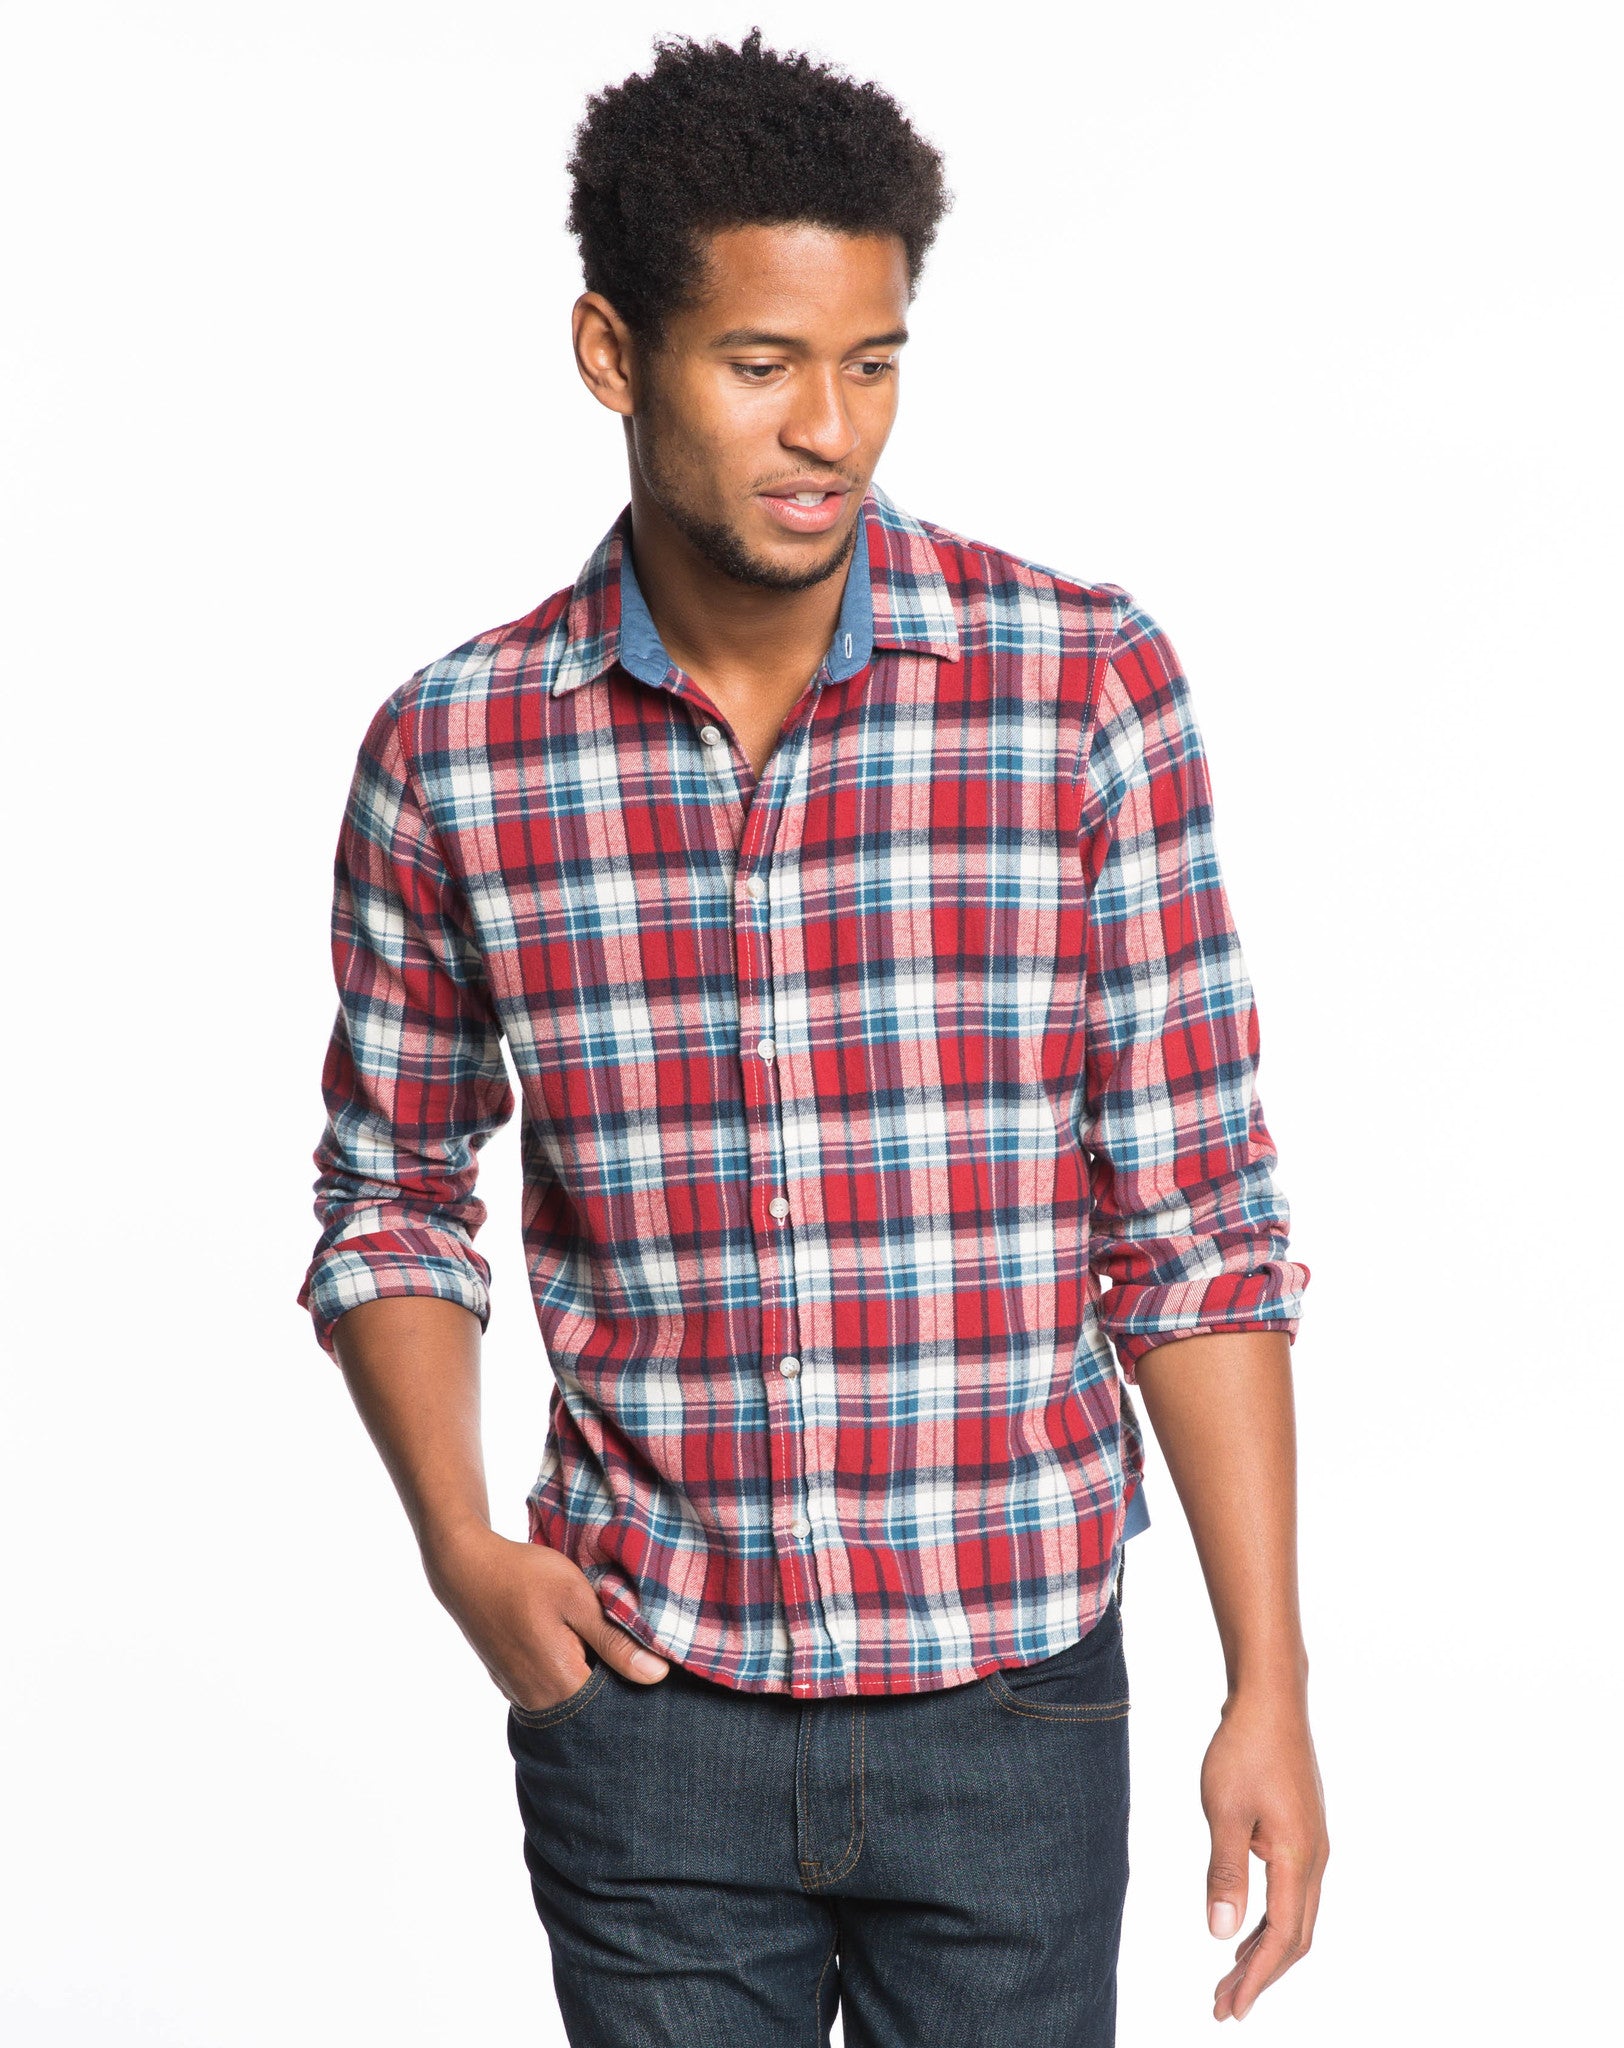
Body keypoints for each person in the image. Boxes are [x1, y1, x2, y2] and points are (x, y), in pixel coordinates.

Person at [297, 27, 1328, 2044]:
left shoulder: (1078, 690)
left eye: (871, 363)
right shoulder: (456, 752)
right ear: (613, 353)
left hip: (1013, 1697)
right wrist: (458, 1550)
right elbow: (391, 1193)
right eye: (761, 364)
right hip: (648, 1706)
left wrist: (1265, 1681)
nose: (829, 430)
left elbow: (1197, 1219)